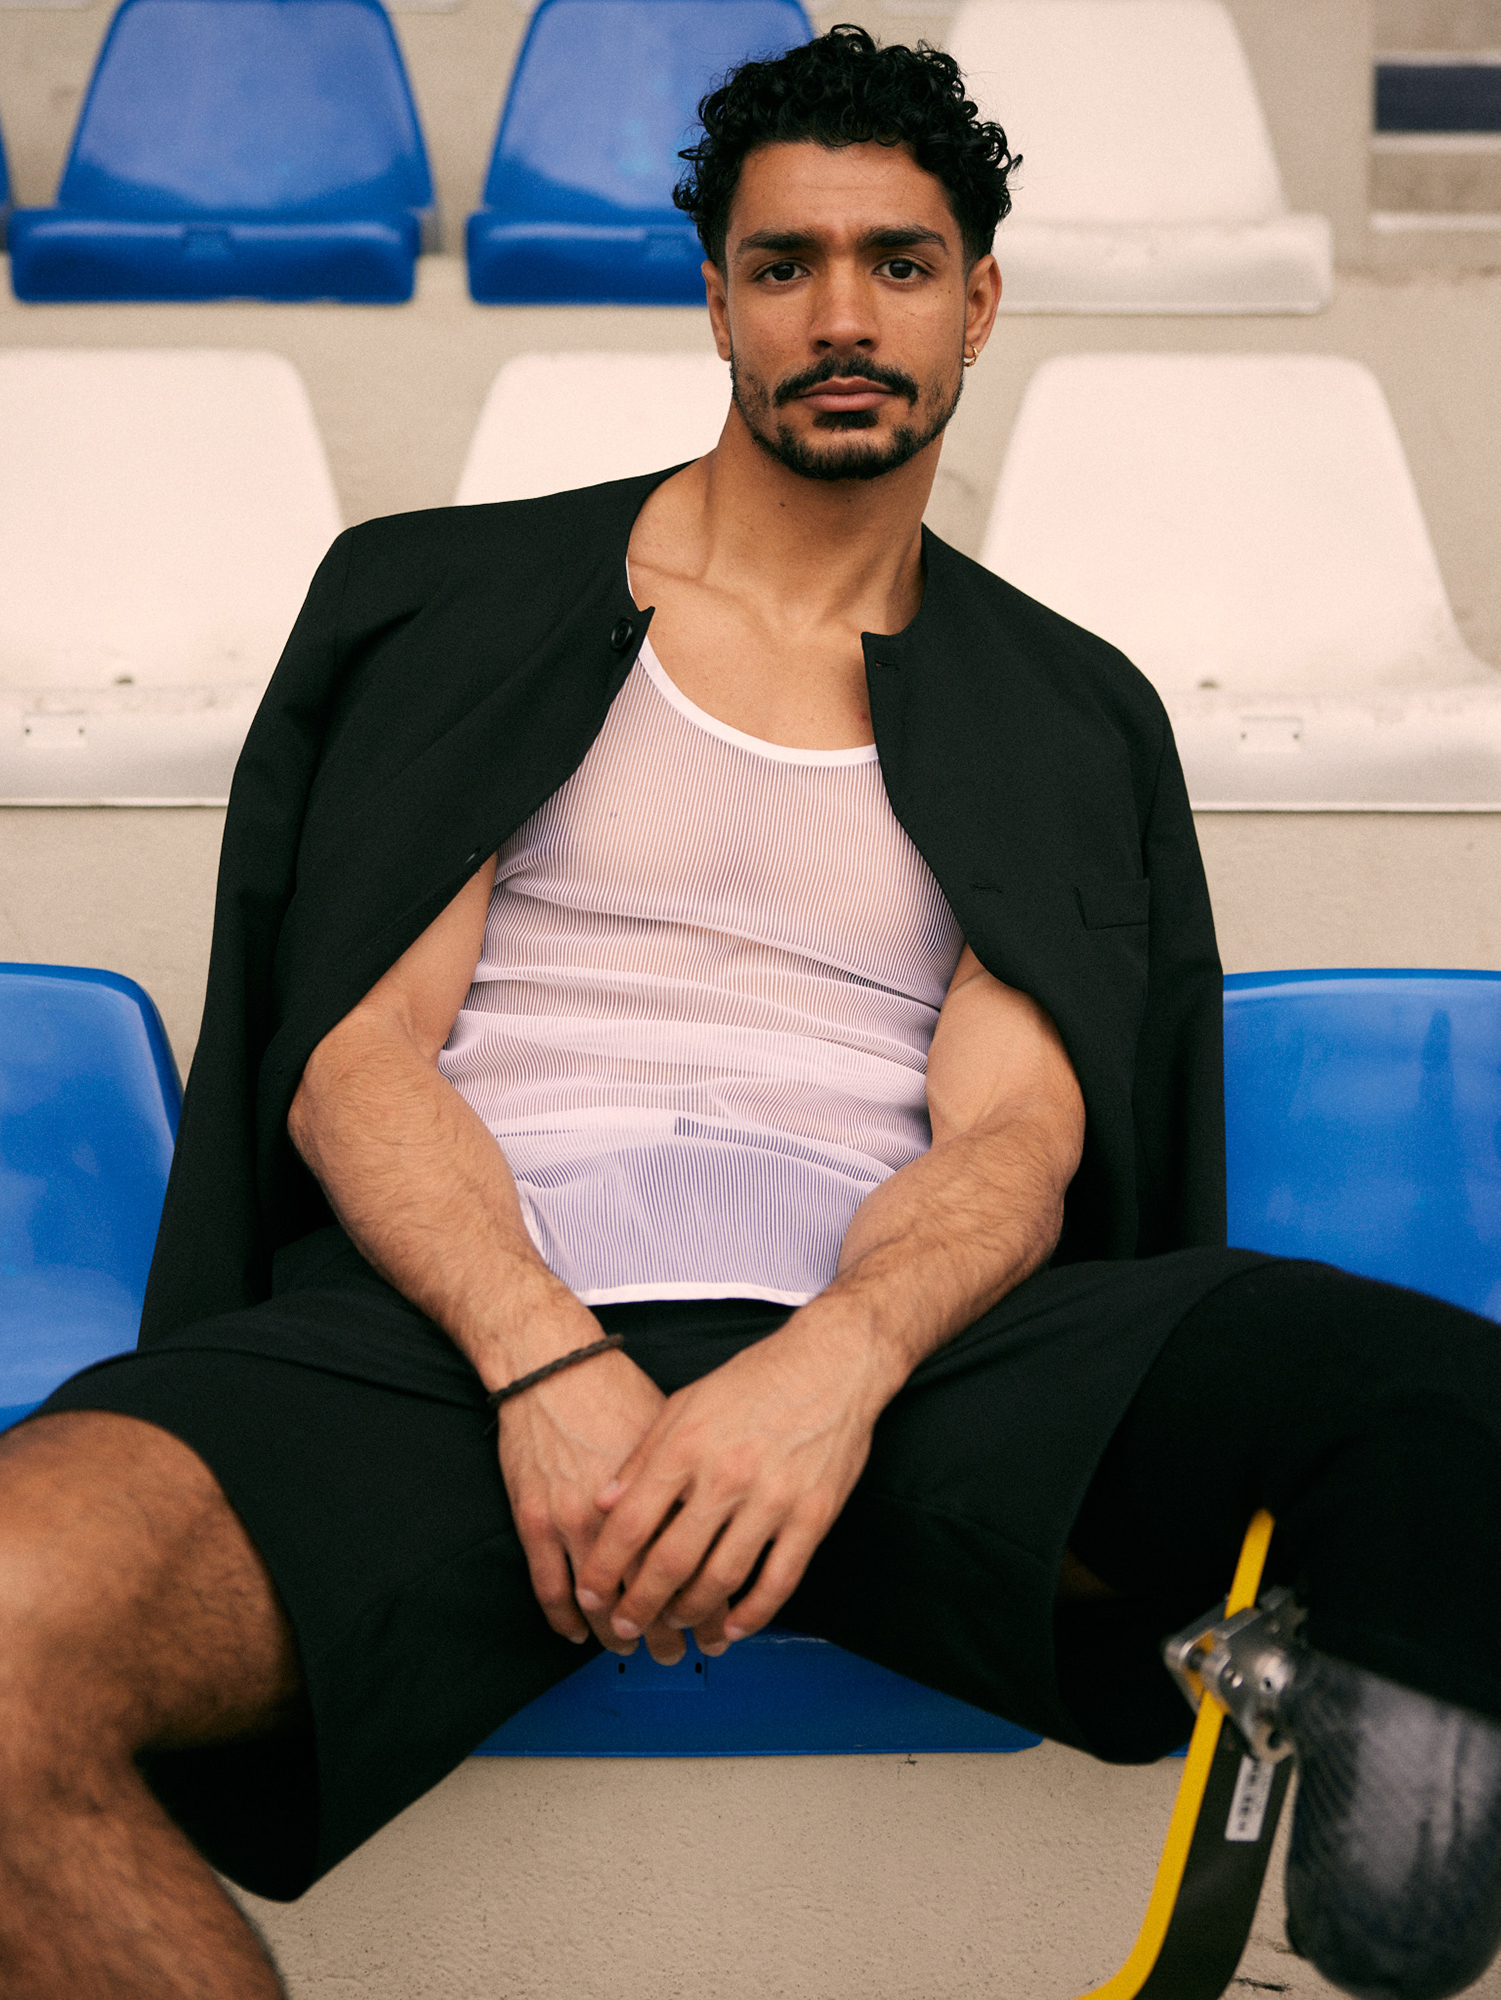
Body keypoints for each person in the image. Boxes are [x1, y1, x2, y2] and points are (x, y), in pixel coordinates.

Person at [2, 25, 1499, 2000]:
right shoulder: (442, 602)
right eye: (782, 262)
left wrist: (834, 1368)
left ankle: (1381, 1924)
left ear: (976, 299)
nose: (839, 312)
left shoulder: (1059, 705)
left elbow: (1017, 1136)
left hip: (901, 1379)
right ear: (713, 292)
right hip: (457, 1350)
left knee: (1428, 1400)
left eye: (896, 261)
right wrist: (544, 1367)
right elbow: (357, 1058)